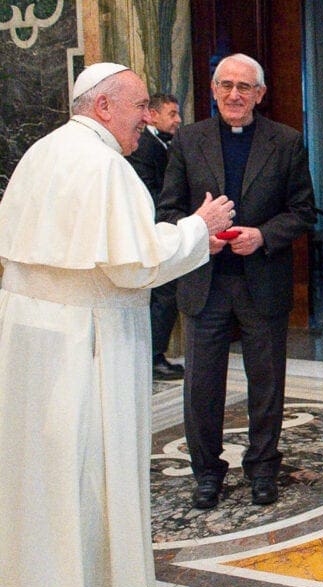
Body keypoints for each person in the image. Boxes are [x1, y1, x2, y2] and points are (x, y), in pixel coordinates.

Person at [0, 62, 233, 587]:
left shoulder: (41, 152)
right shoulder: (104, 165)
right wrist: (197, 229)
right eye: (138, 107)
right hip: (90, 342)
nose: (146, 119)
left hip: (35, 340)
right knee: (95, 473)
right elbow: (133, 263)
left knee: (45, 477)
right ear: (103, 106)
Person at [158, 53, 316, 510]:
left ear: (260, 95)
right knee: (202, 386)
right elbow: (167, 210)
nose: (234, 95)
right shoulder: (187, 141)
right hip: (204, 284)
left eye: (244, 87)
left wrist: (263, 235)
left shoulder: (286, 142)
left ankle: (263, 468)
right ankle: (206, 473)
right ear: (212, 89)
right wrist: (195, 235)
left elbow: (304, 211)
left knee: (267, 384)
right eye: (226, 85)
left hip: (261, 280)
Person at [128, 92, 186, 380]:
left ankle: (155, 354)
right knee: (164, 294)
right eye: (172, 113)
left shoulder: (166, 144)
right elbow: (146, 192)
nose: (178, 119)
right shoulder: (144, 148)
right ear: (152, 114)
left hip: (163, 226)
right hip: (152, 230)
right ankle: (152, 357)